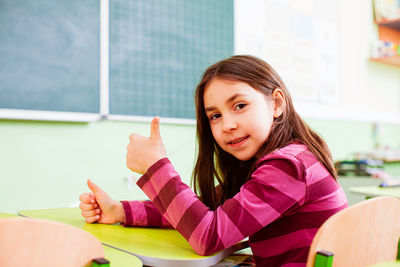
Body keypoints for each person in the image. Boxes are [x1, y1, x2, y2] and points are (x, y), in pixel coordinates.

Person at [79, 55, 348, 266]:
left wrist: (155, 167)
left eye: (240, 105)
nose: (227, 124)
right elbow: (199, 209)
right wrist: (119, 211)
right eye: (215, 116)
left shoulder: (288, 166)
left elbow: (207, 236)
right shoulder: (282, 159)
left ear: (276, 104)